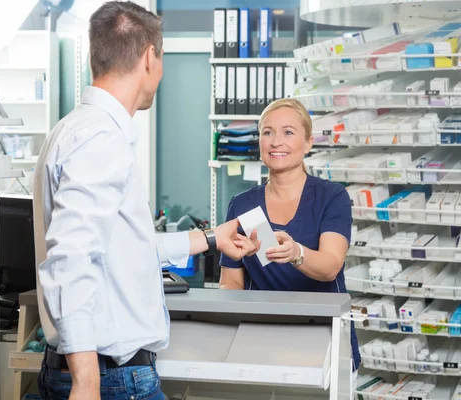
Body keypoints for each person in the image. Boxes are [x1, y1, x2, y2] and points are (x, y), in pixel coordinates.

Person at [31, 2, 260, 400]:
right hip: (111, 379)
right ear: (150, 57)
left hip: (93, 371)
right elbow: (70, 258)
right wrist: (87, 383)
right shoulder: (102, 139)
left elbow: (120, 249)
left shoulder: (72, 129)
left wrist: (209, 239)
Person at [218, 98, 361, 375]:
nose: (275, 142)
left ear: (308, 142)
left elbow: (331, 267)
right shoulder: (243, 205)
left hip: (323, 337)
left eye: (288, 132)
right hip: (262, 339)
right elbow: (230, 283)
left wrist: (297, 254)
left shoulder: (331, 196)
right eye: (267, 132)